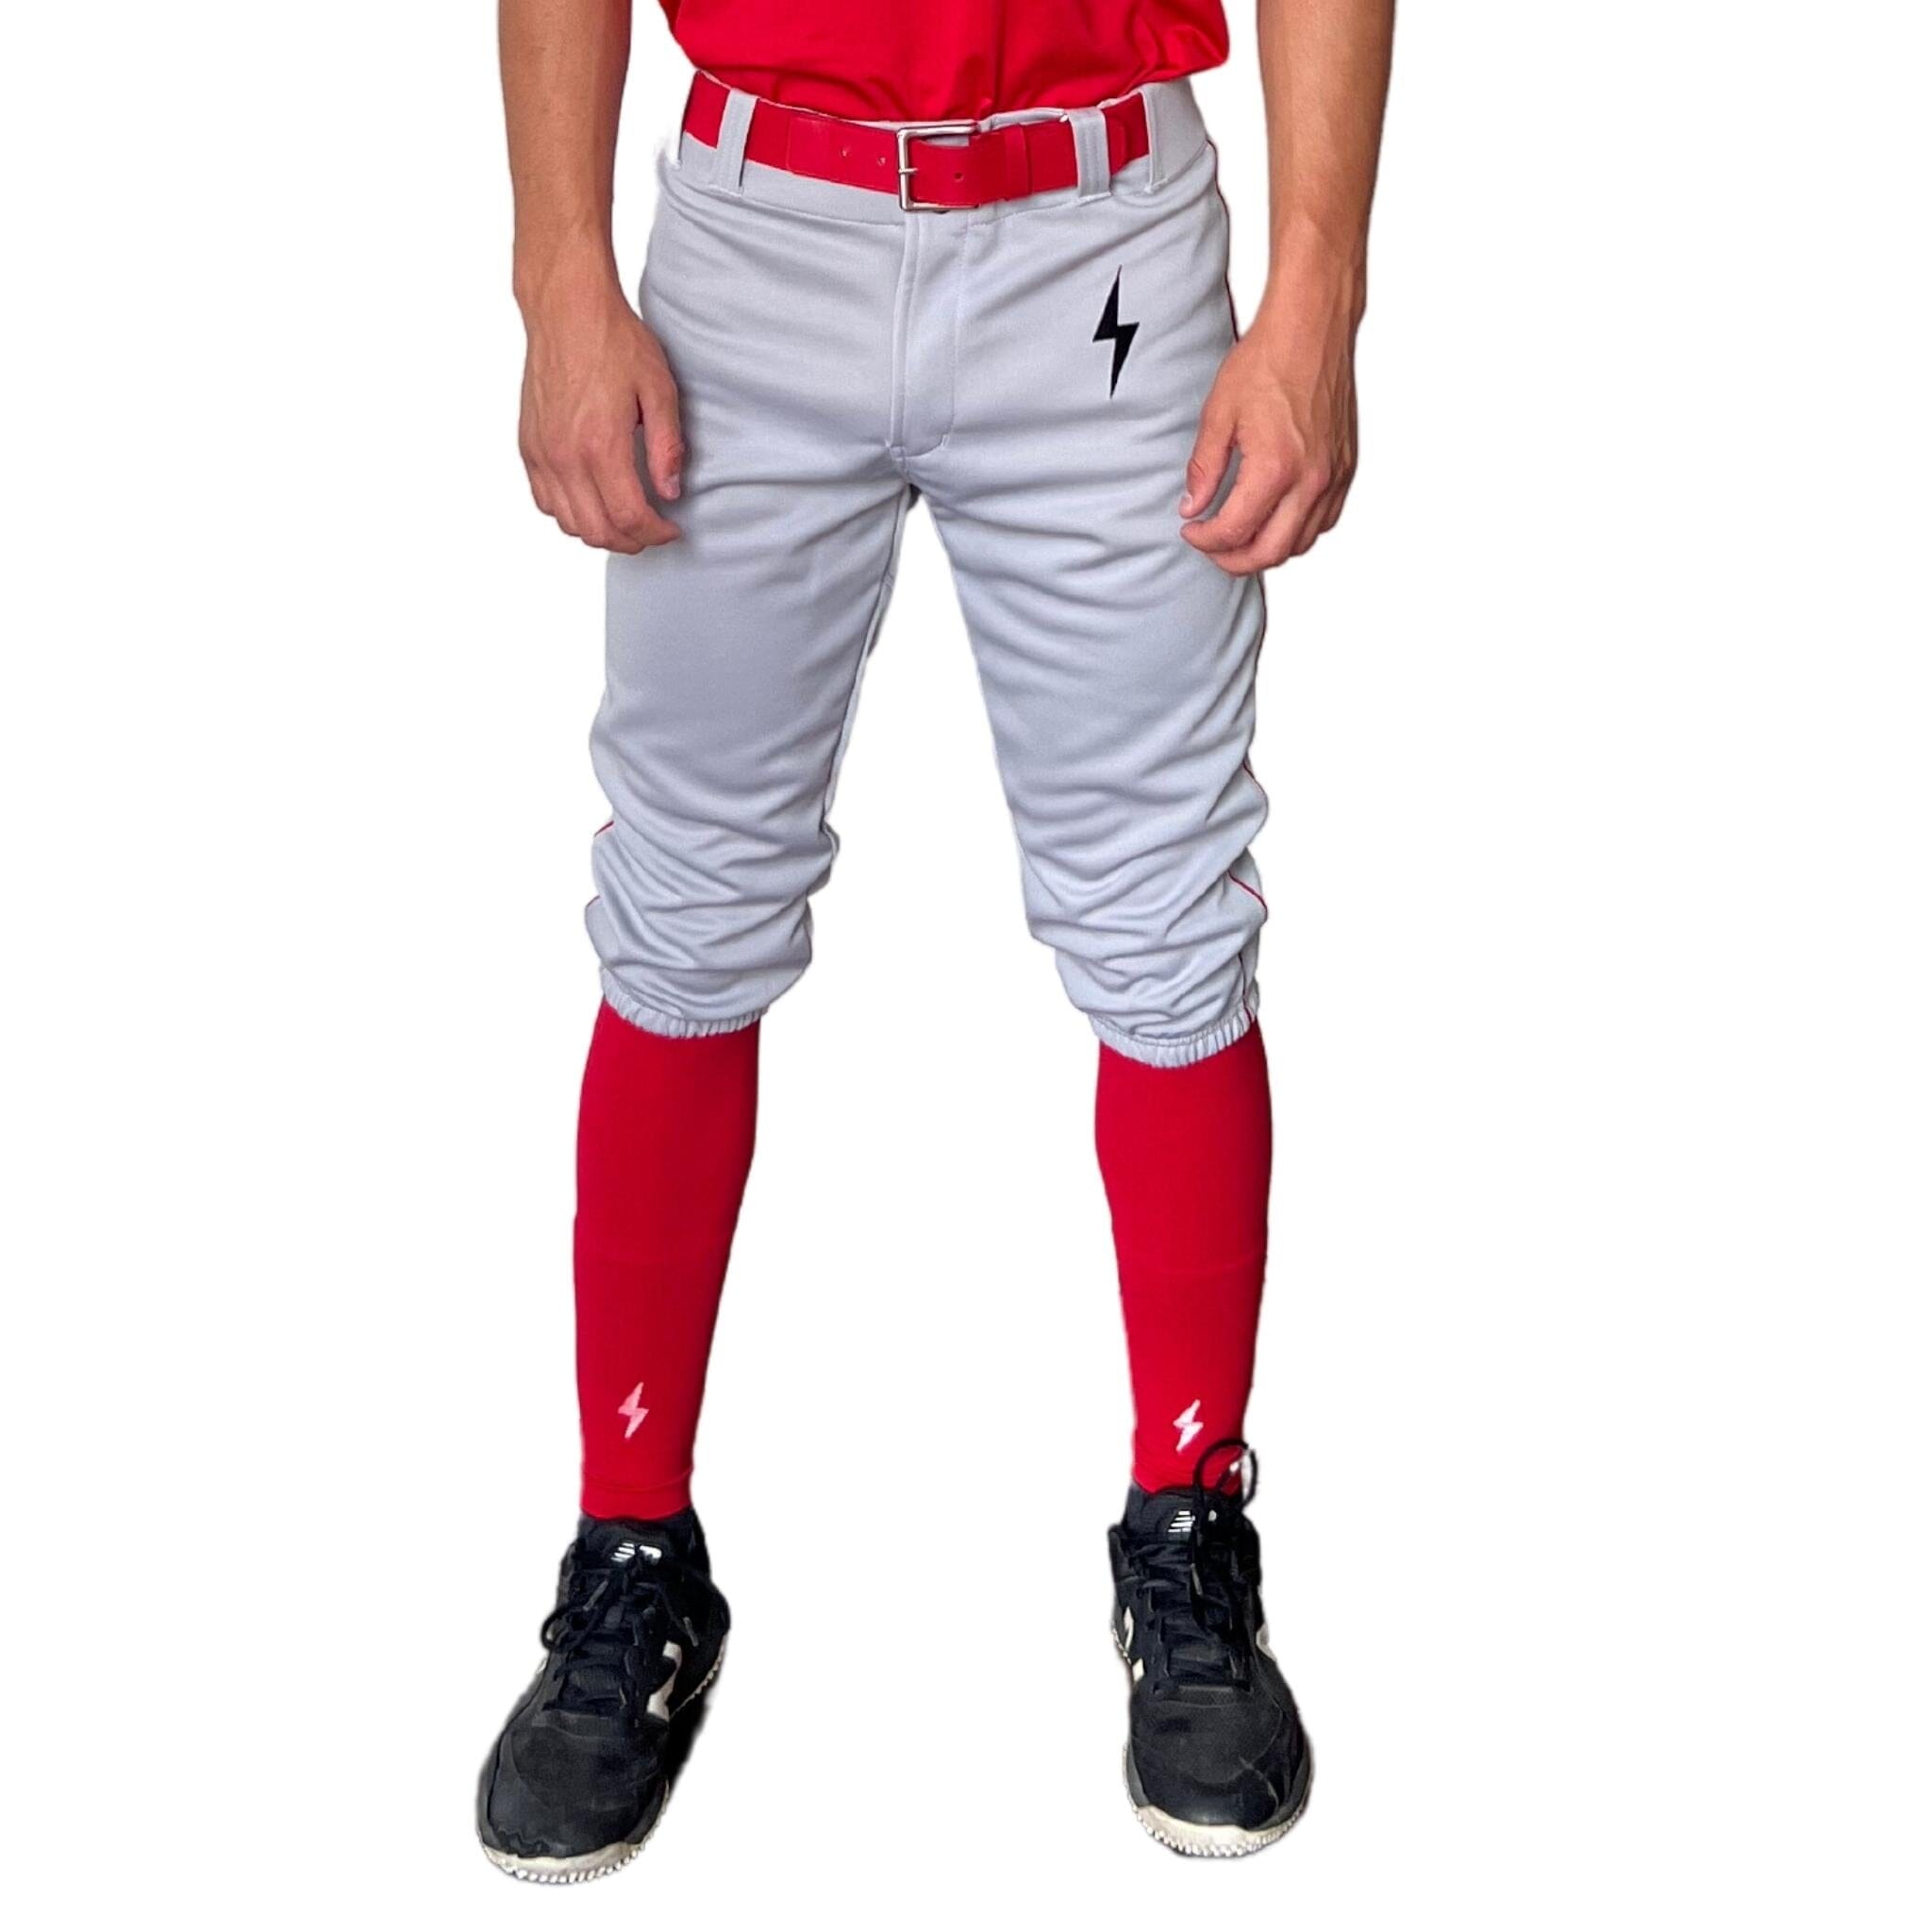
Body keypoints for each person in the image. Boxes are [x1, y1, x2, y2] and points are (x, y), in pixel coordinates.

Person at [477, 0, 1393, 1874]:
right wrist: (557, 269)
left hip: (1100, 245)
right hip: (757, 235)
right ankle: (632, 1547)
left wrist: (1319, 292)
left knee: (1163, 908)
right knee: (684, 906)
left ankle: (1187, 1524)